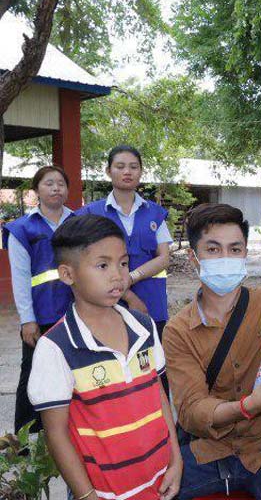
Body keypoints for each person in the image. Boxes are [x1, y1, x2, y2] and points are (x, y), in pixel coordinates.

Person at [162, 204, 261, 499]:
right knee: (146, 488)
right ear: (194, 257)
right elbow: (192, 412)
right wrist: (248, 406)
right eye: (213, 249)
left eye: (234, 249)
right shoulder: (178, 331)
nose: (225, 258)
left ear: (245, 253)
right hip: (212, 450)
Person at [27, 214, 182, 500]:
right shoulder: (56, 347)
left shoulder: (144, 327)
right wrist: (86, 496)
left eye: (123, 263)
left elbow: (159, 395)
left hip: (158, 482)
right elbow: (56, 433)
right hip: (103, 493)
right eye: (102, 265)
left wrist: (176, 459)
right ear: (68, 274)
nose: (118, 275)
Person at [77, 145, 172, 392]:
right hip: (107, 304)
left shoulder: (155, 213)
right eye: (120, 166)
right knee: (112, 369)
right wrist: (128, 294)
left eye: (133, 167)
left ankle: (160, 424)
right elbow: (89, 260)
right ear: (108, 171)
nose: (127, 172)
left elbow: (163, 257)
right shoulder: (92, 213)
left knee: (155, 367)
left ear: (141, 172)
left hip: (152, 305)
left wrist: (131, 277)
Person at [2, 166, 74, 434]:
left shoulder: (77, 222)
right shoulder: (22, 229)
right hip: (41, 316)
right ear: (36, 191)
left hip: (75, 313)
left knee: (73, 373)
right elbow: (20, 279)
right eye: (48, 183)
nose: (56, 188)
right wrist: (27, 320)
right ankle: (23, 441)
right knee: (32, 374)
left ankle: (68, 433)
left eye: (60, 184)